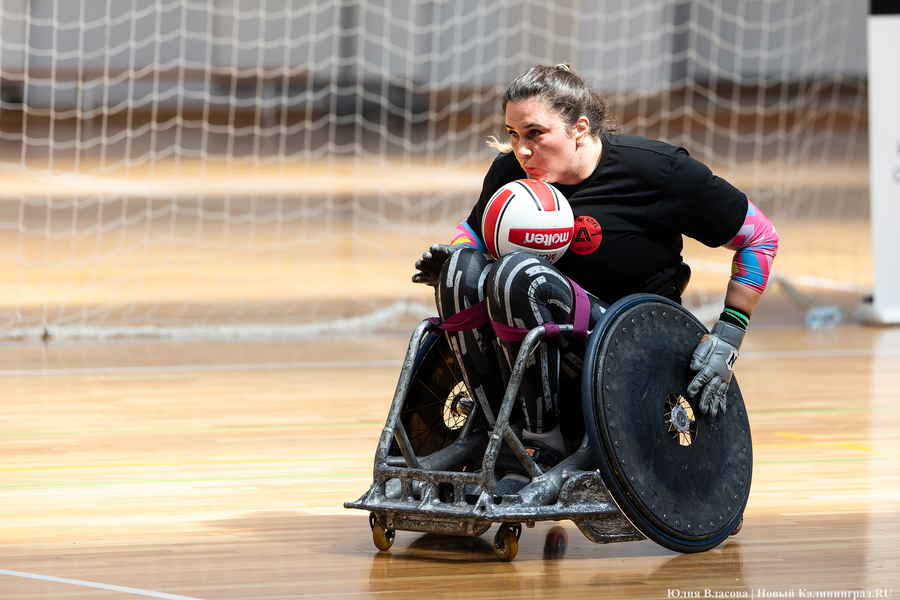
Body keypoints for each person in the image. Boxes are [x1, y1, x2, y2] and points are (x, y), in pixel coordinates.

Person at [412, 64, 778, 466]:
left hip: (629, 346)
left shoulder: (657, 172)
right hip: (548, 349)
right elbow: (474, 230)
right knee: (461, 270)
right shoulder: (512, 175)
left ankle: (542, 442)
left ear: (580, 128)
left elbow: (759, 237)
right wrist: (456, 253)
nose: (521, 150)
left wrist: (729, 332)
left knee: (517, 275)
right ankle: (493, 426)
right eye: (514, 135)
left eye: (536, 133)